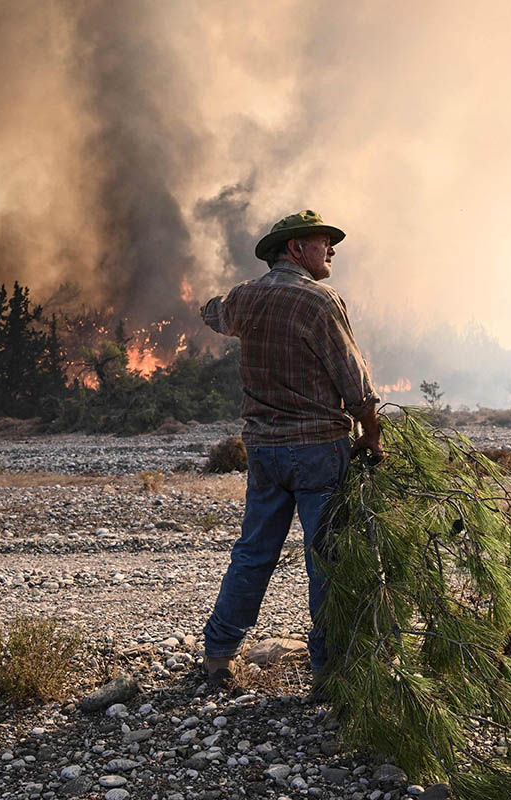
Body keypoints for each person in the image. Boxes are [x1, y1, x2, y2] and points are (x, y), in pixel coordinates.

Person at [199, 209, 383, 687]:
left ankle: (219, 653)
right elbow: (356, 383)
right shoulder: (320, 301)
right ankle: (327, 668)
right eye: (325, 242)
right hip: (319, 450)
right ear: (297, 248)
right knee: (325, 558)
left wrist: (222, 302)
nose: (333, 251)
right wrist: (371, 435)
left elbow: (212, 311)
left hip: (263, 451)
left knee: (254, 552)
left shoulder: (244, 299)